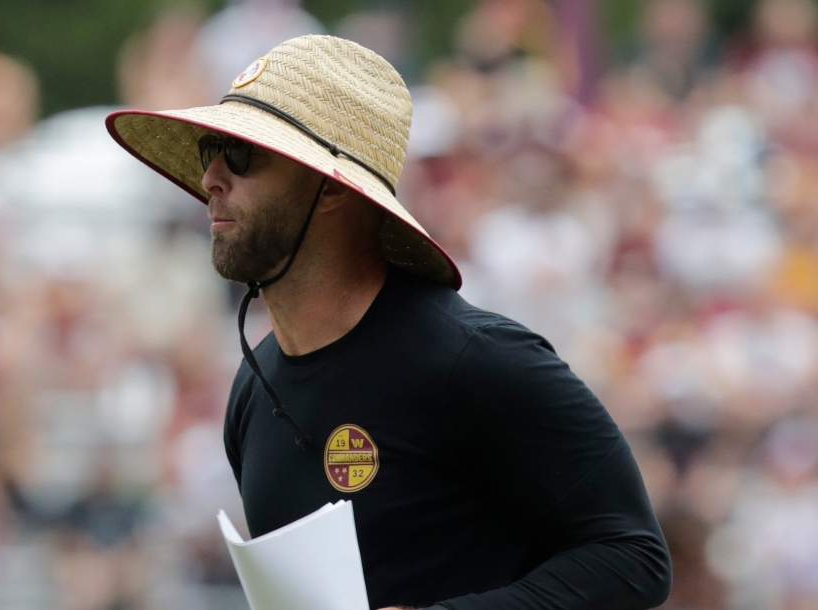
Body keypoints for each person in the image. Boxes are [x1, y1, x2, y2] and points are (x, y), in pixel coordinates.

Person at [106, 34, 672, 610]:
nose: (210, 179)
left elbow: (635, 557)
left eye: (242, 154)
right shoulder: (253, 389)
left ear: (331, 186)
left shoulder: (476, 361)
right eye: (211, 149)